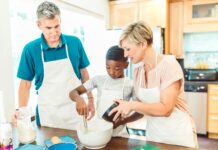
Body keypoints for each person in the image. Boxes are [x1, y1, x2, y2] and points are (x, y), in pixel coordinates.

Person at [109, 21, 198, 148]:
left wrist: (132, 105)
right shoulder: (138, 71)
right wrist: (123, 120)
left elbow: (166, 109)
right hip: (154, 135)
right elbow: (142, 109)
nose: (125, 54)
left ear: (143, 44)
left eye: (128, 49)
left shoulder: (169, 65)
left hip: (178, 136)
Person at [12, 1, 94, 130]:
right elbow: (25, 85)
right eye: (49, 28)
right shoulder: (30, 49)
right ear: (39, 25)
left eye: (57, 26)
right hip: (48, 115)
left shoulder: (75, 43)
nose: (54, 32)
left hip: (75, 112)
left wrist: (91, 100)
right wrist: (22, 113)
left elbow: (84, 74)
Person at [69, 45, 143, 138]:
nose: (111, 72)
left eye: (116, 68)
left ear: (126, 65)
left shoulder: (131, 85)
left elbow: (140, 112)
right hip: (99, 133)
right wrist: (79, 99)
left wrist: (122, 121)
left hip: (119, 135)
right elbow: (73, 92)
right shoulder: (98, 80)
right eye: (108, 67)